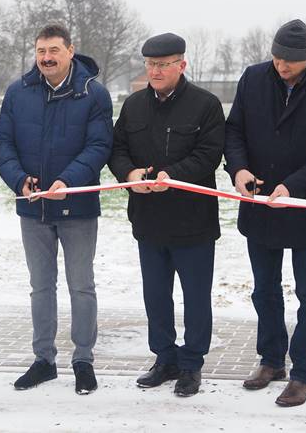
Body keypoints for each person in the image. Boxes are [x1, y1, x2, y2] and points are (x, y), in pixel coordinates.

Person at [224, 19, 306, 406]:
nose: (282, 66)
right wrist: (239, 169)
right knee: (265, 290)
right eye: (277, 58)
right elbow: (234, 133)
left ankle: (303, 374)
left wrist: (293, 186)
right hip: (260, 204)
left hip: (304, 207)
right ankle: (271, 360)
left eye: (290, 62)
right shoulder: (253, 79)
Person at [0, 24, 112, 395]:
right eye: (41, 50)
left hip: (76, 207)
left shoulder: (94, 94)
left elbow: (98, 146)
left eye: (54, 50)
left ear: (70, 50)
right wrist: (19, 181)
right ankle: (43, 360)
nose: (46, 58)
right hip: (33, 209)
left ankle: (83, 360)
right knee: (40, 287)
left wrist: (68, 182)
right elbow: (3, 144)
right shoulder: (18, 92)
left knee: (81, 286)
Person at [108, 33, 225, 397]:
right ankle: (165, 358)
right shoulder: (134, 106)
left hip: (193, 222)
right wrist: (129, 176)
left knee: (195, 297)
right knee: (156, 295)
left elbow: (209, 154)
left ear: (181, 65)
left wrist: (172, 177)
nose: (155, 71)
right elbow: (117, 149)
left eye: (163, 64)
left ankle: (191, 364)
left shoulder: (205, 105)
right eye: (150, 64)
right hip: (148, 219)